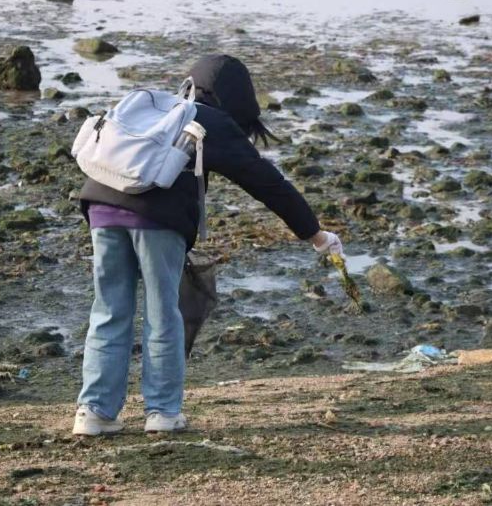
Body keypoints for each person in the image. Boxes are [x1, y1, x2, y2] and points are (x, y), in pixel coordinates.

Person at [72, 54, 343, 436]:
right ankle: (162, 413)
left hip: (101, 208)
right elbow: (268, 184)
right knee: (162, 314)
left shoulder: (159, 108)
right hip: (156, 220)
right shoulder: (208, 121)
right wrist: (315, 234)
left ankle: (94, 413)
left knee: (109, 310)